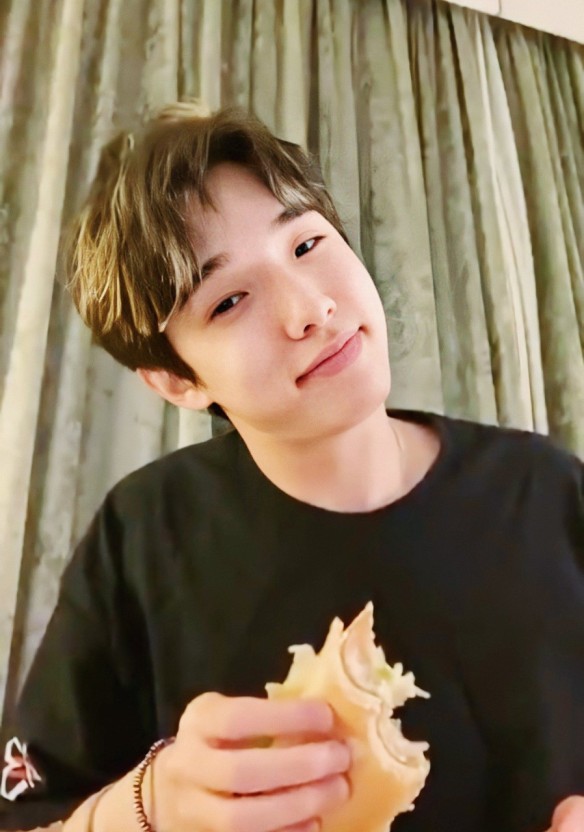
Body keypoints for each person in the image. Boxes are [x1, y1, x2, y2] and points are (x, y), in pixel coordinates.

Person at [0, 101, 583, 832]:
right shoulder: (144, 535)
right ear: (177, 380)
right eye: (229, 301)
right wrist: (148, 806)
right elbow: (24, 810)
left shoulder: (548, 490)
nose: (310, 309)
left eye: (306, 244)